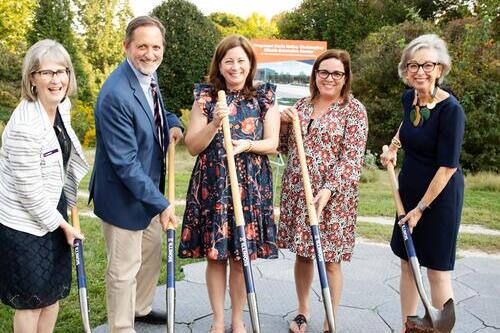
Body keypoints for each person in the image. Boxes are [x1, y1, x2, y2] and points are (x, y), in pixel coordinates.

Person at [178, 35, 279, 333]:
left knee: (240, 257)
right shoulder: (206, 98)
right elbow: (192, 146)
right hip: (214, 185)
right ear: (219, 66)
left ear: (250, 64)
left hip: (249, 186)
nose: (235, 67)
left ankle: (237, 319)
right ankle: (218, 321)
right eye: (229, 61)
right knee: (216, 256)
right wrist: (213, 123)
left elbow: (272, 143)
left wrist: (246, 145)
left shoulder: (264, 96)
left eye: (241, 61)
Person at [88, 16, 183, 332]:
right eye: (142, 46)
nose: (150, 53)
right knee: (123, 270)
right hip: (122, 197)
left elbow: (157, 110)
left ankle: (140, 310)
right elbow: (125, 163)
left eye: (156, 46)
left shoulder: (147, 78)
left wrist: (173, 123)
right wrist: (162, 203)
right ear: (127, 46)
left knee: (151, 255)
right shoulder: (116, 93)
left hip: (147, 192)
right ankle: (121, 327)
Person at [0, 39, 88, 333]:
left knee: (51, 296)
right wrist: (63, 226)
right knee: (31, 302)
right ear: (32, 79)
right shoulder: (25, 126)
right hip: (24, 225)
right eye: (47, 73)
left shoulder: (61, 107)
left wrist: (65, 207)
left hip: (53, 209)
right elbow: (29, 193)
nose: (56, 79)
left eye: (61, 71)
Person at [277, 49, 368, 333]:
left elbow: (352, 159)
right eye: (323, 72)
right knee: (303, 255)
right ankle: (303, 312)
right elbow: (284, 147)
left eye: (336, 73)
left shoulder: (354, 110)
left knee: (330, 260)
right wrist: (281, 123)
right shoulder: (301, 107)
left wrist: (329, 190)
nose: (329, 78)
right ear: (315, 74)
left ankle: (330, 320)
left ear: (345, 78)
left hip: (333, 198)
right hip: (298, 191)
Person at [380, 34, 465, 330]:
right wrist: (392, 147)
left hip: (438, 199)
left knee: (436, 270)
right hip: (408, 189)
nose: (420, 71)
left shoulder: (451, 110)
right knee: (407, 264)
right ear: (406, 70)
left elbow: (447, 168)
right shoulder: (410, 98)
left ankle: (440, 327)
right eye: (413, 65)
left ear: (440, 69)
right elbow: (408, 124)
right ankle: (409, 326)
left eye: (427, 64)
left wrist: (420, 209)